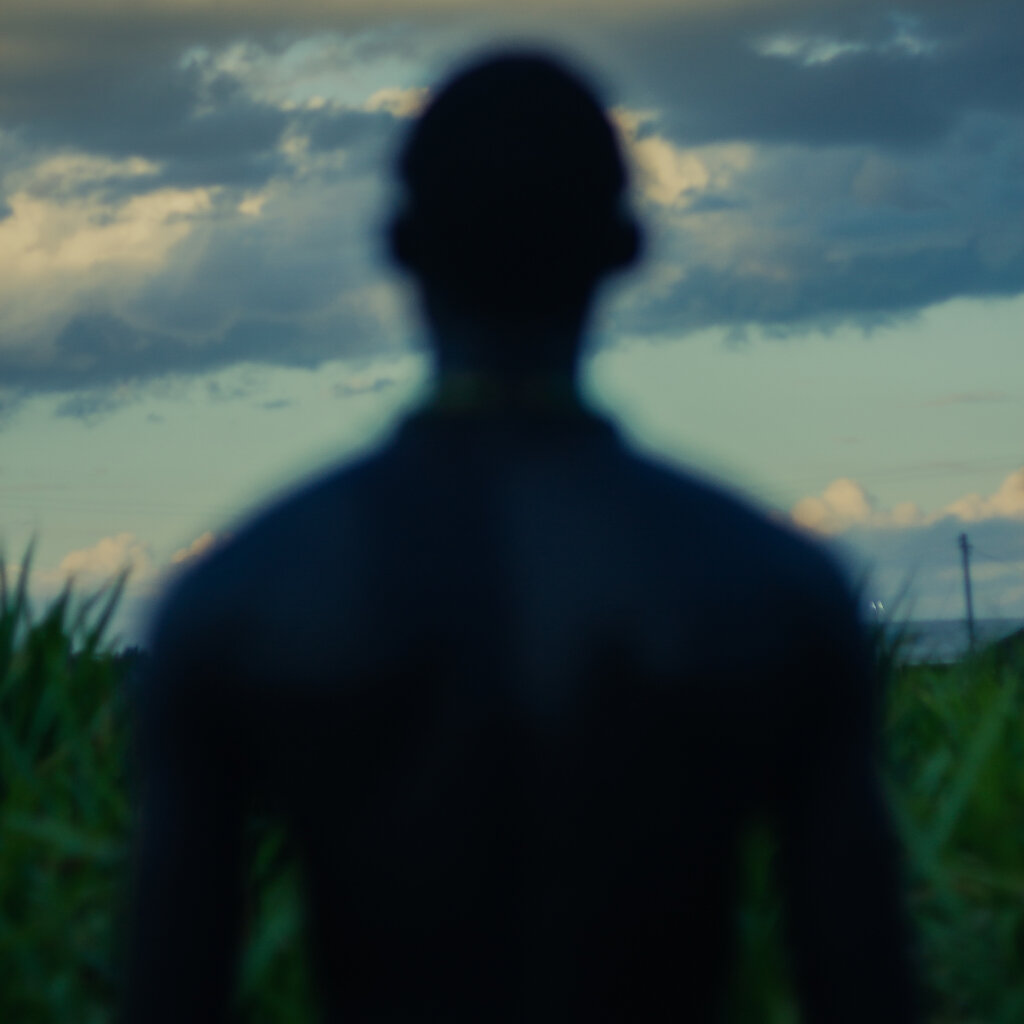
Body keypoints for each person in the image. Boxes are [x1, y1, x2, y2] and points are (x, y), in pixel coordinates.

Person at [124, 50, 918, 1023]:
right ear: (626, 245)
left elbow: (168, 991)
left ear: (400, 245)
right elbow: (865, 986)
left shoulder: (241, 601)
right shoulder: (772, 591)